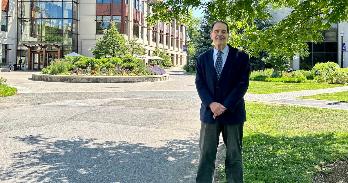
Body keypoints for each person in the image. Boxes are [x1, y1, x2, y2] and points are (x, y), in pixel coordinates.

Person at [195, 21, 250, 183]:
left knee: (234, 155)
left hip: (233, 114)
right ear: (211, 34)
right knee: (206, 155)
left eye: (224, 31)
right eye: (216, 31)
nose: (220, 34)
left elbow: (242, 84)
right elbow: (200, 84)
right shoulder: (202, 59)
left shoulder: (241, 56)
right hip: (209, 114)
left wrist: (225, 105)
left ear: (228, 34)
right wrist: (212, 104)